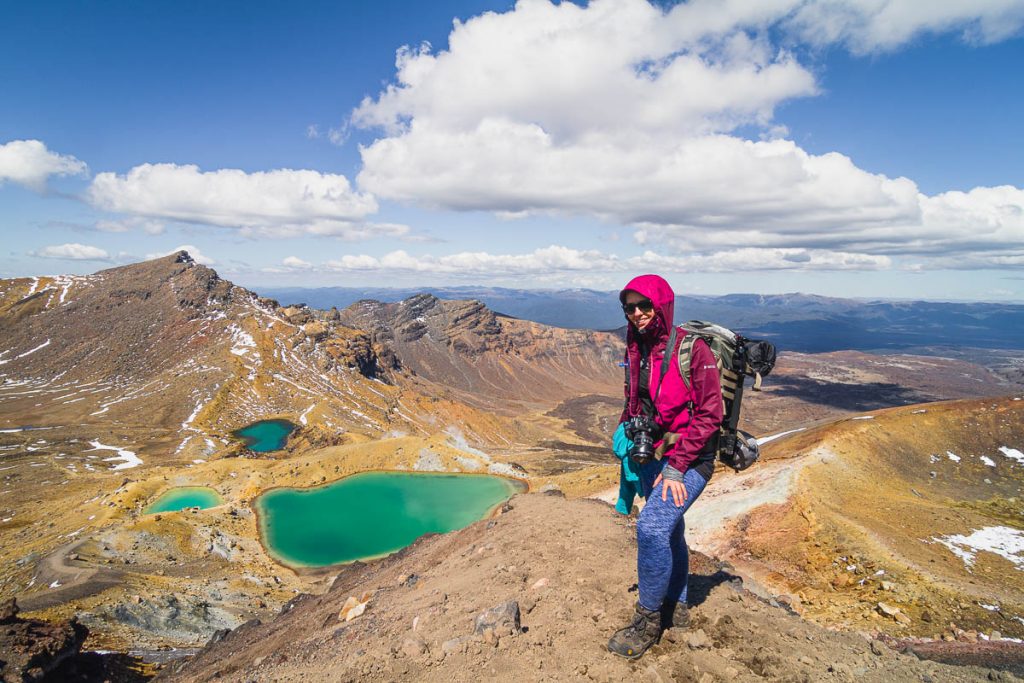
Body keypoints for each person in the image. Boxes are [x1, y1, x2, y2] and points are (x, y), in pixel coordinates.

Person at [608, 274, 723, 659]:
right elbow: (634, 399)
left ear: (661, 305)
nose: (637, 313)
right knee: (670, 529)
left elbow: (711, 415)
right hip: (651, 454)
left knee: (652, 527)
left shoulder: (693, 349)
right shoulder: (635, 345)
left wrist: (677, 468)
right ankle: (679, 603)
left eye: (645, 305)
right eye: (630, 307)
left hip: (691, 459)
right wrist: (626, 432)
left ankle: (648, 620)